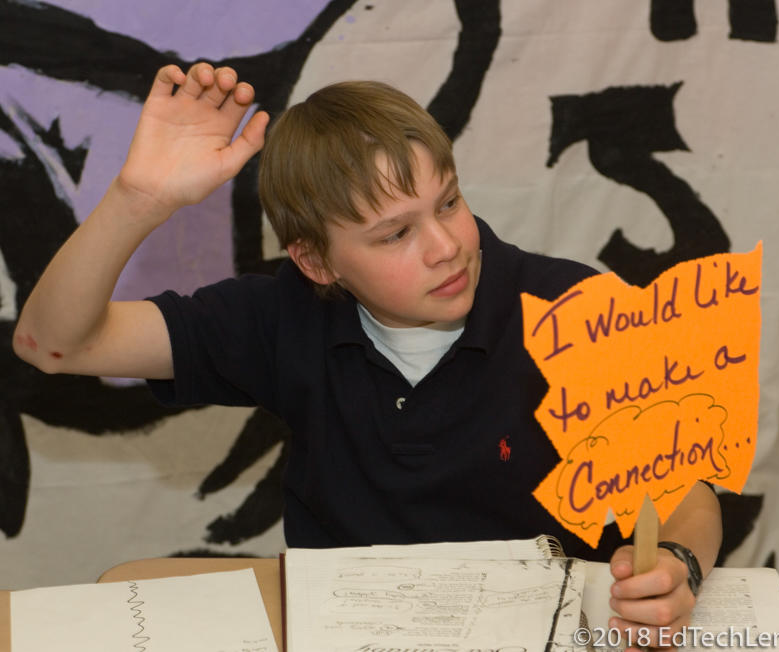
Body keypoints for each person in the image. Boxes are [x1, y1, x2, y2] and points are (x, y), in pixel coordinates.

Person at [14, 62, 721, 647]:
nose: (446, 247)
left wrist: (681, 563)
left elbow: (686, 490)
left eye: (448, 204)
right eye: (394, 235)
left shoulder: (574, 306)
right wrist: (137, 200)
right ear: (317, 262)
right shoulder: (278, 313)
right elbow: (51, 343)